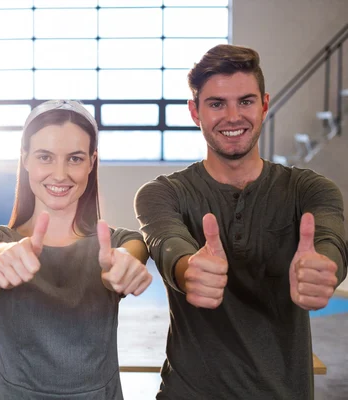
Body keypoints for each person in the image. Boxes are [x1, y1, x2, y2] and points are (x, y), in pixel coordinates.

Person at [134, 44, 348, 399]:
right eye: (217, 104)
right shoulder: (163, 194)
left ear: (264, 105)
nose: (233, 116)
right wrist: (190, 271)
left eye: (245, 102)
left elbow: (330, 240)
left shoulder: (309, 189)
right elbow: (167, 243)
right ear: (194, 112)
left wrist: (325, 268)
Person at [0, 99, 153, 399]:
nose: (59, 174)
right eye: (45, 157)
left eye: (75, 159)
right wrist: (1, 257)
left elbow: (133, 252)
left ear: (92, 162)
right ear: (25, 159)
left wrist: (125, 264)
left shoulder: (119, 244)